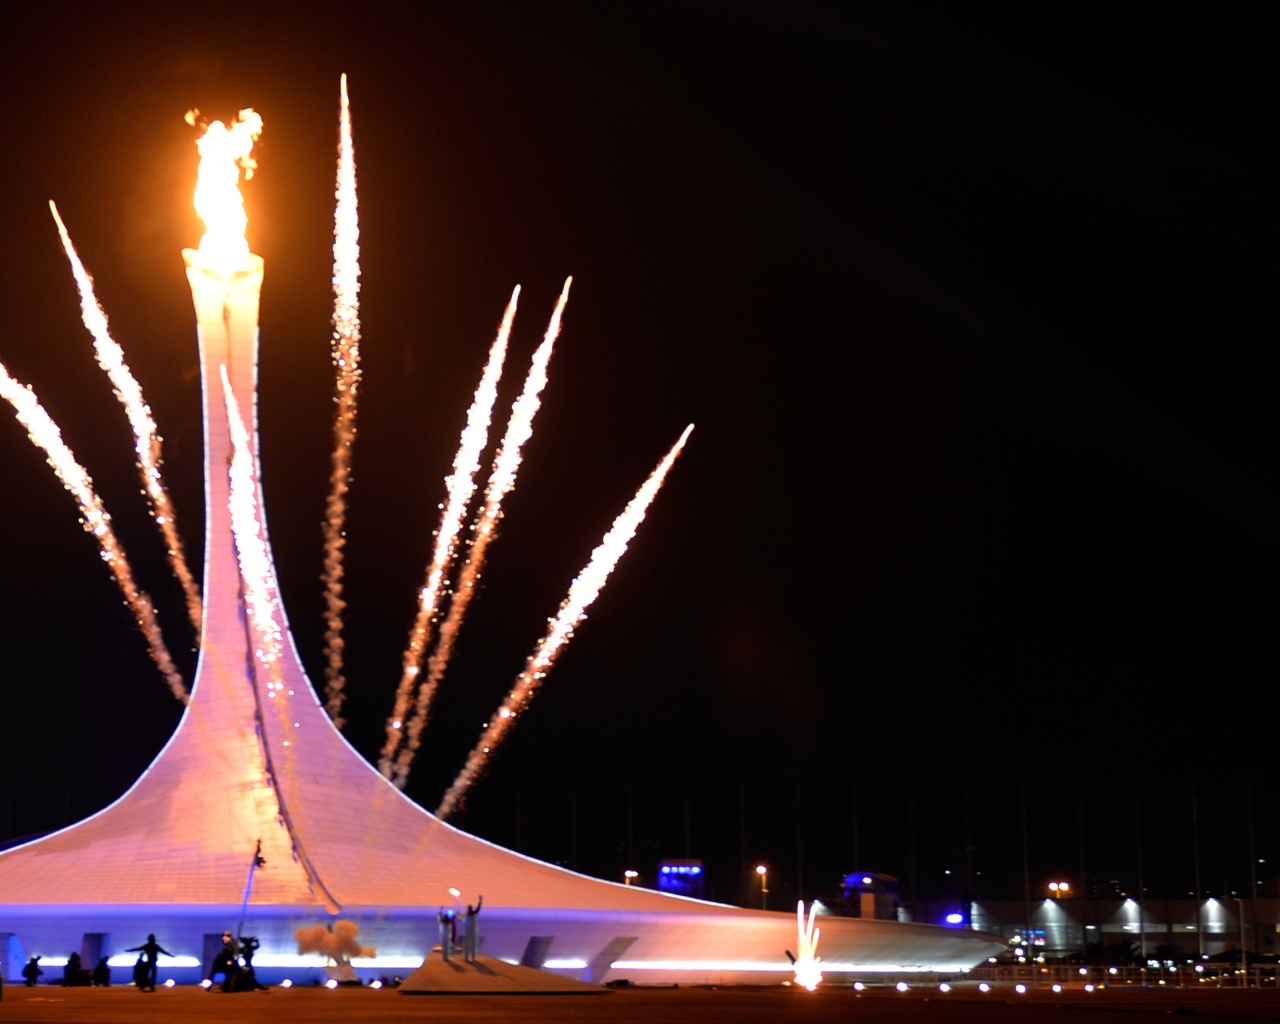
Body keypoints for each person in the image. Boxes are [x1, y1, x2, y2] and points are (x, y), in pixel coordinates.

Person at [463, 894, 483, 962]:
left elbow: (478, 909)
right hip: (473, 931)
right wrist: (480, 901)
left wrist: (480, 901)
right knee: (473, 945)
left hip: (469, 932)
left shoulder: (467, 915)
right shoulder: (473, 914)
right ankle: (473, 958)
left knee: (468, 945)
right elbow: (478, 908)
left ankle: (467, 957)